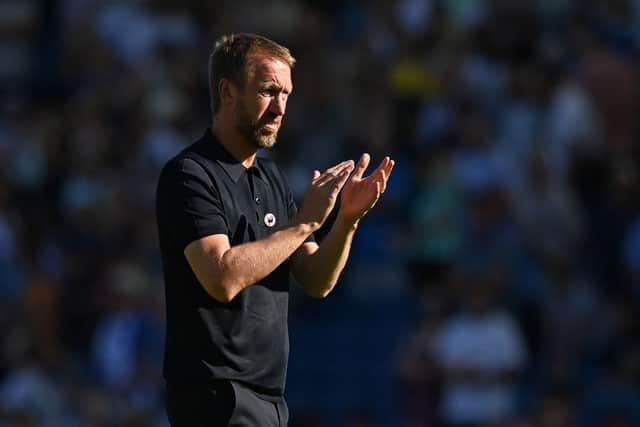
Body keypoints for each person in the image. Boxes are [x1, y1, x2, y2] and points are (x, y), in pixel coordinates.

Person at [156, 33, 394, 426]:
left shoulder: (270, 177)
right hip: (216, 398)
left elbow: (317, 280)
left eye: (286, 94)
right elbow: (222, 277)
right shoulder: (190, 175)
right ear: (227, 91)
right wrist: (305, 222)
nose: (280, 107)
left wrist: (347, 220)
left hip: (269, 399)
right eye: (268, 91)